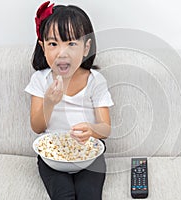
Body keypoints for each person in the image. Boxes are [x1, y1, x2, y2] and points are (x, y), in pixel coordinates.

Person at [25, 2, 114, 199]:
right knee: (63, 195)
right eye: (53, 44)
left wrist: (92, 130)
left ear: (86, 48)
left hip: (89, 157)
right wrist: (49, 103)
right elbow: (37, 127)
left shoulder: (95, 81)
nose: (61, 53)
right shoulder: (40, 80)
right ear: (43, 47)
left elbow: (105, 129)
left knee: (89, 196)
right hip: (52, 158)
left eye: (71, 43)